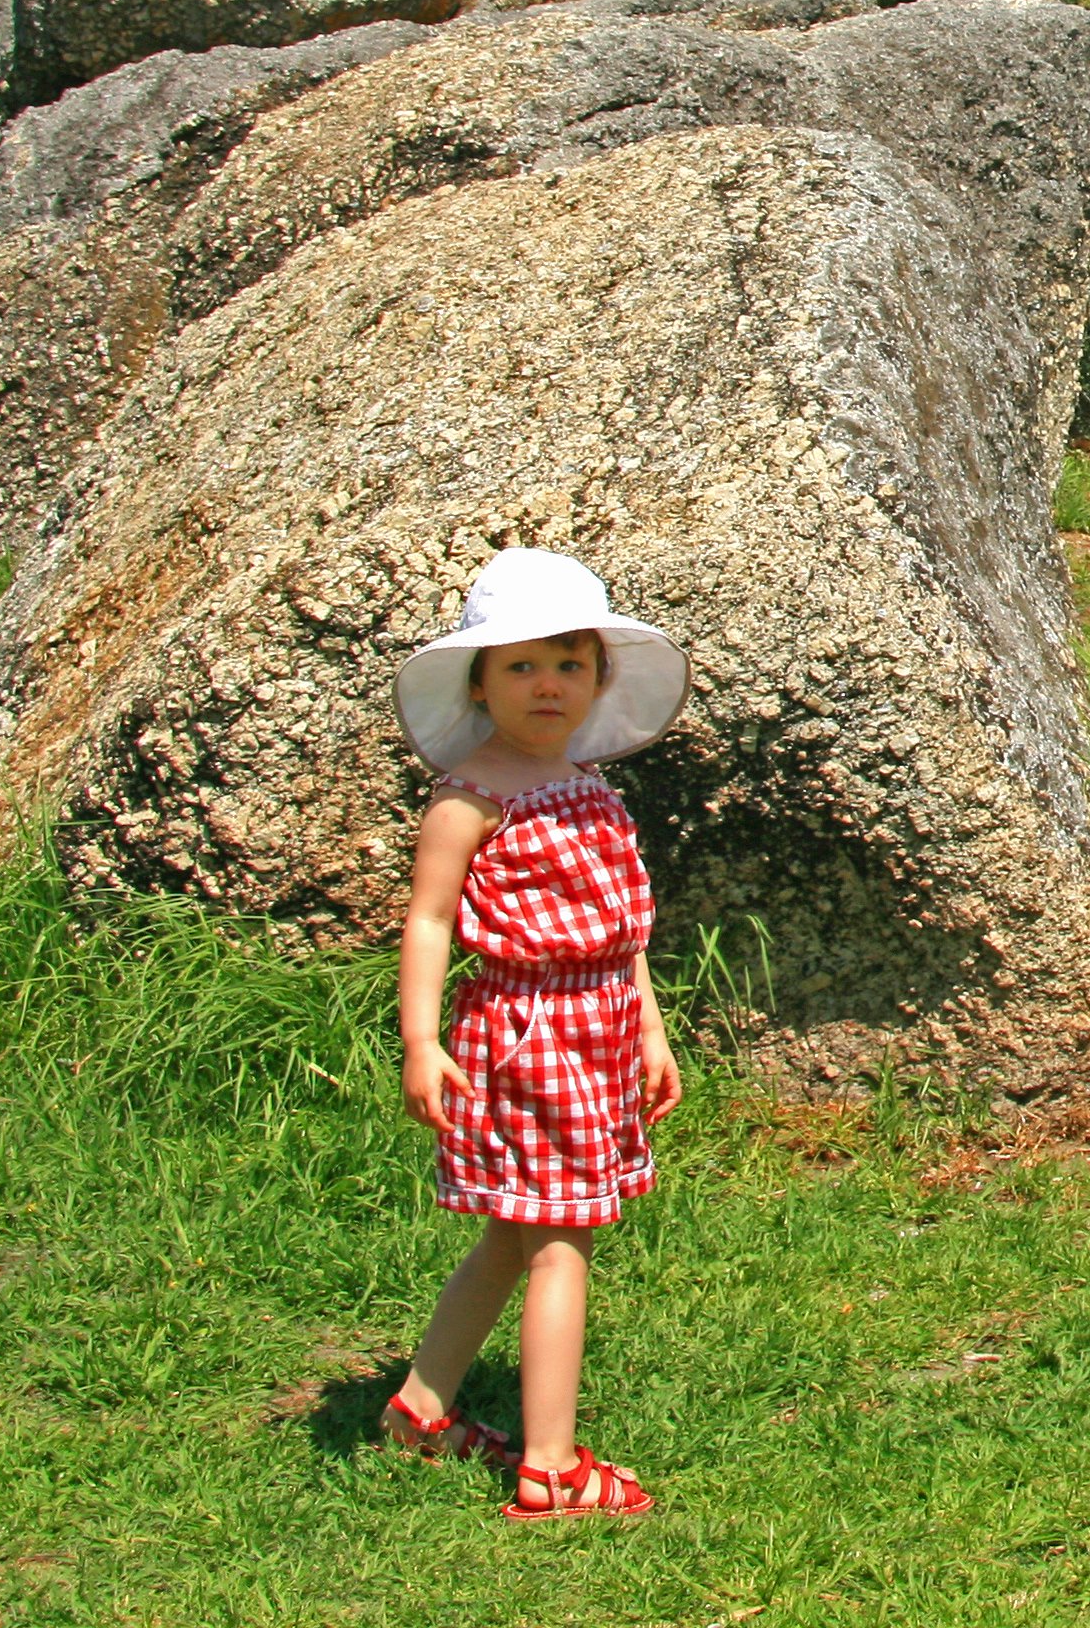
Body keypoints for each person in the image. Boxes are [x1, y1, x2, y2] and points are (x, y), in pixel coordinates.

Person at [372, 548, 692, 1520]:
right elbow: (428, 920)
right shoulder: (472, 796)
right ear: (480, 685)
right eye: (519, 665)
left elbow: (619, 929)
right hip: (528, 1037)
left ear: (598, 678)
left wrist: (648, 1027)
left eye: (567, 661)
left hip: (595, 1030)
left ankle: (421, 1405)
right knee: (562, 1243)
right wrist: (422, 1042)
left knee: (515, 1236)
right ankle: (550, 1465)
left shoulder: (586, 782)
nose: (546, 683)